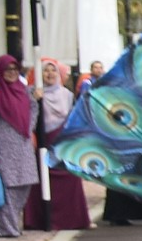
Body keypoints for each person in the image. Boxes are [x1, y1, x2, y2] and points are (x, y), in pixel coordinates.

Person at [24, 58, 93, 231]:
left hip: (63, 145)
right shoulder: (32, 93)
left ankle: (74, 220)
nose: (50, 74)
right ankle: (40, 220)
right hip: (41, 143)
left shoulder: (67, 95)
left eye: (53, 70)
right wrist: (34, 100)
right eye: (45, 71)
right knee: (40, 181)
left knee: (71, 180)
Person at [0, 56, 37, 238]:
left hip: (23, 144)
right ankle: (2, 228)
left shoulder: (25, 93)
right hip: (1, 147)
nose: (11, 73)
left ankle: (7, 225)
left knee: (23, 185)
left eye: (14, 69)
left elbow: (33, 113)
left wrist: (28, 129)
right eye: (7, 69)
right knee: (3, 188)